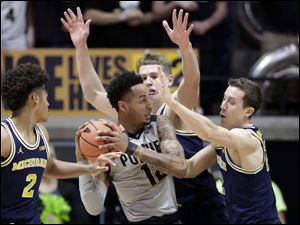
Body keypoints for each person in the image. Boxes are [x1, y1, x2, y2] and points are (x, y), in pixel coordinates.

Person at [61, 7, 229, 224]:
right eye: (143, 77)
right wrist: (81, 46)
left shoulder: (175, 107)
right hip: (167, 209)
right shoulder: (133, 111)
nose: (148, 81)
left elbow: (192, 82)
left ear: (168, 81)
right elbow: (93, 93)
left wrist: (185, 47)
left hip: (199, 203)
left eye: (154, 76)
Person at [0, 63, 120, 224]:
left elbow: (49, 168)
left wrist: (90, 168)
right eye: (46, 98)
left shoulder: (42, 133)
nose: (48, 104)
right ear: (35, 98)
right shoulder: (4, 136)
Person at [158, 72, 281, 224]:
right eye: (224, 99)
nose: (223, 106)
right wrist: (144, 154)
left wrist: (171, 102)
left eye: (231, 102)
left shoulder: (248, 138)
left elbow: (209, 132)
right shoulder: (225, 141)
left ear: (248, 111)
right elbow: (189, 169)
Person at [75, 71, 187, 223]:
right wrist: (81, 159)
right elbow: (93, 207)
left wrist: (130, 147)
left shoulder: (160, 124)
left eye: (148, 98)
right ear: (123, 106)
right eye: (142, 100)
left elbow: (181, 167)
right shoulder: (108, 143)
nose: (150, 104)